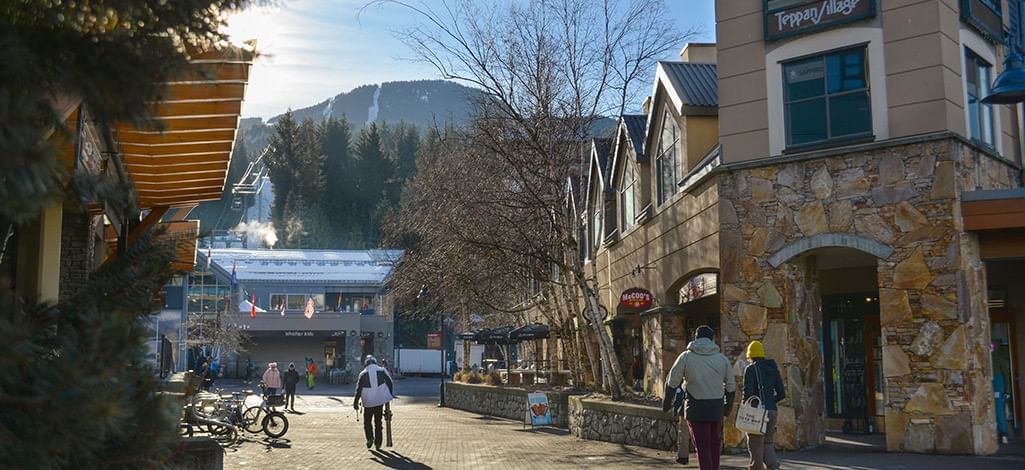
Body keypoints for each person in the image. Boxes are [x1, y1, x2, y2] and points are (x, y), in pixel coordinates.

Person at [665, 325, 736, 470]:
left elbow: (672, 381)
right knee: (714, 445)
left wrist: (666, 403)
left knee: (702, 447)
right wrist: (727, 408)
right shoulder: (721, 359)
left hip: (695, 407)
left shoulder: (686, 356)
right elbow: (731, 386)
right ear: (712, 339)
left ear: (695, 338)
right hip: (716, 408)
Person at [743, 340, 786, 470]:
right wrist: (771, 402)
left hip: (757, 413)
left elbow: (748, 393)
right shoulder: (772, 368)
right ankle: (773, 466)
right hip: (772, 410)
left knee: (755, 443)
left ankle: (756, 468)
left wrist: (747, 406)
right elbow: (782, 393)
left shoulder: (750, 369)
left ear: (750, 355)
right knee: (768, 442)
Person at [353, 355, 395, 451]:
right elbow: (390, 382)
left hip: (368, 403)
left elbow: (358, 389)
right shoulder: (382, 370)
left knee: (367, 422)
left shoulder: (363, 373)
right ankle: (378, 443)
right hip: (379, 401)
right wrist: (388, 395)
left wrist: (355, 402)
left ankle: (369, 438)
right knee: (378, 423)